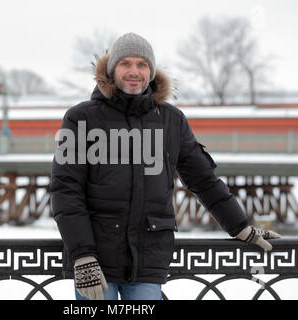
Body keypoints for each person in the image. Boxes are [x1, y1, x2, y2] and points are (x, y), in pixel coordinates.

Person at [50, 33, 280, 300]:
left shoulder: (172, 120)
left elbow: (203, 180)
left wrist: (239, 226)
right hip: (95, 259)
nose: (134, 71)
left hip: (148, 257)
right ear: (112, 69)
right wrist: (82, 255)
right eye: (125, 63)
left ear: (151, 71)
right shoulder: (81, 118)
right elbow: (66, 189)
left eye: (142, 64)